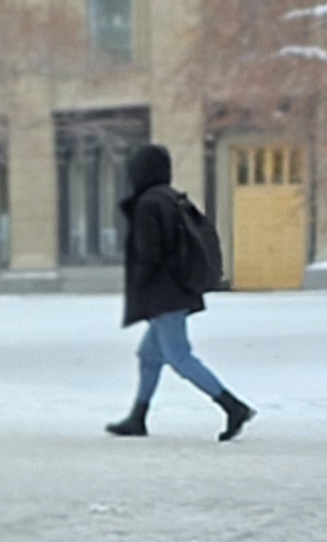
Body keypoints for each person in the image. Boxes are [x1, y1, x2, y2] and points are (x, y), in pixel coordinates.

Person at [105, 143, 253, 440]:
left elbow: (151, 253)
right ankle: (138, 416)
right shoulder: (173, 198)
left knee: (179, 356)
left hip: (164, 294)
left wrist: (141, 284)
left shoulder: (148, 203)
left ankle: (232, 406)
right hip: (179, 289)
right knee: (149, 354)